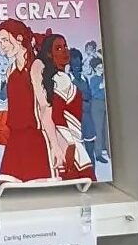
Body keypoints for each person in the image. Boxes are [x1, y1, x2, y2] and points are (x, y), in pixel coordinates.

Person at [0, 19, 52, 184]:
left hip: (34, 137)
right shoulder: (10, 70)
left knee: (37, 188)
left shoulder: (36, 66)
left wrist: (55, 143)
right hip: (14, 138)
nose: (2, 45)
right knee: (7, 186)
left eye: (5, 39)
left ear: (19, 38)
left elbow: (45, 107)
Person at [39, 34, 95, 182]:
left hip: (73, 139)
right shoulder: (60, 79)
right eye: (58, 48)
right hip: (69, 144)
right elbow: (56, 115)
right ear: (49, 54)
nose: (64, 51)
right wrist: (70, 143)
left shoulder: (62, 78)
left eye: (65, 46)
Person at [70, 48, 97, 165]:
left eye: (79, 62)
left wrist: (81, 97)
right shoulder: (67, 79)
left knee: (91, 152)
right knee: (77, 155)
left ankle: (93, 178)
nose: (77, 66)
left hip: (88, 120)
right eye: (74, 63)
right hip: (74, 122)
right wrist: (82, 97)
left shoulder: (84, 79)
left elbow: (89, 96)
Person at [87, 57, 109, 165]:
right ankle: (98, 154)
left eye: (102, 67)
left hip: (105, 103)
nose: (101, 69)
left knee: (107, 129)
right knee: (98, 130)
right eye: (99, 67)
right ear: (95, 69)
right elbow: (93, 93)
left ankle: (109, 152)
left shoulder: (105, 77)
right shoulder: (93, 79)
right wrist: (101, 86)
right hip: (96, 105)